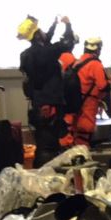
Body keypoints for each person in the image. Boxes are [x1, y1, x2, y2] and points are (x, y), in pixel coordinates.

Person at [18, 15, 76, 167]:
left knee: (43, 141)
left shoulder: (27, 55)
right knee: (50, 144)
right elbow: (68, 42)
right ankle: (48, 175)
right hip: (50, 104)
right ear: (37, 34)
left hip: (38, 103)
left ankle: (41, 172)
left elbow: (46, 40)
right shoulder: (47, 53)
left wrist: (54, 25)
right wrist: (68, 25)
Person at [70, 37, 108, 147]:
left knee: (76, 136)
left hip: (75, 105)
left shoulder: (77, 63)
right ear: (98, 49)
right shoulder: (95, 64)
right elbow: (103, 86)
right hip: (88, 105)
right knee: (84, 137)